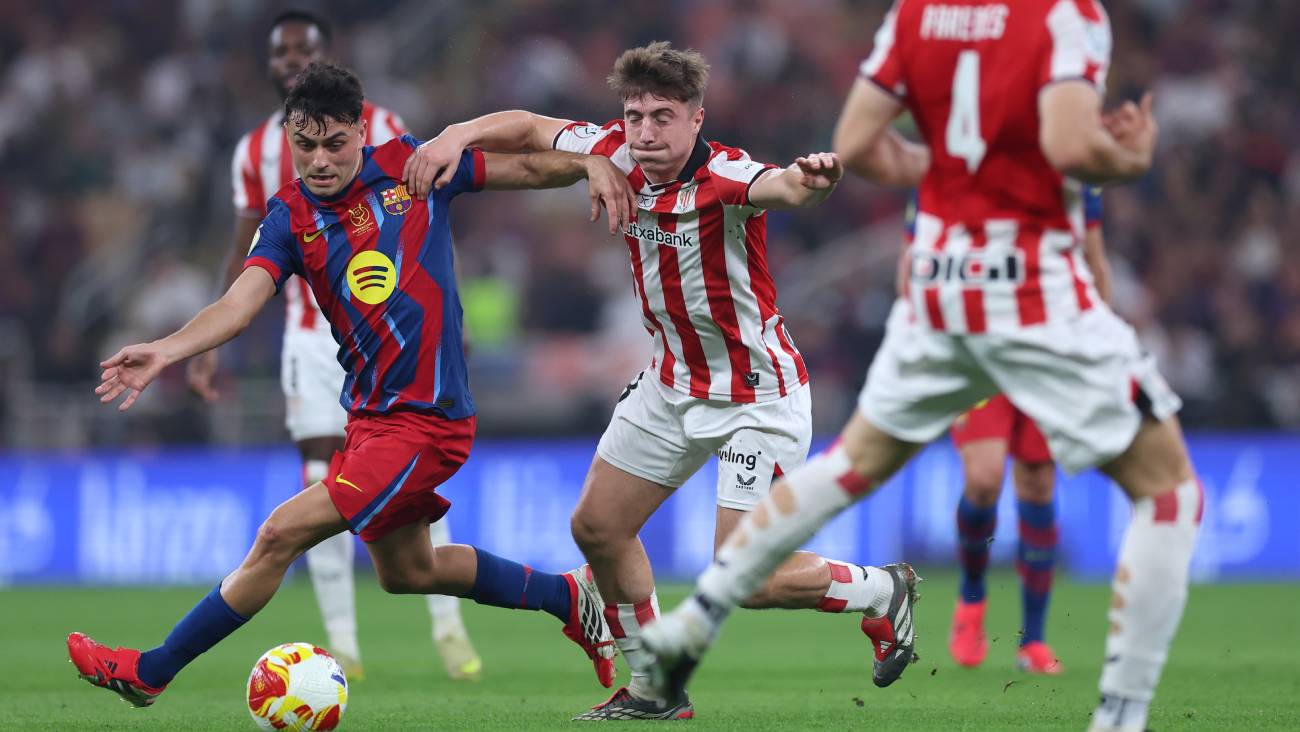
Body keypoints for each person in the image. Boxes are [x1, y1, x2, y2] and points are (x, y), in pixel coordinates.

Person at [643, 4, 1201, 732]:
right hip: (1028, 280)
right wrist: (1130, 157)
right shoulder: (1064, 15)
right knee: (1168, 495)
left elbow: (858, 144)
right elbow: (1070, 142)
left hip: (937, 275)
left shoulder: (915, 17)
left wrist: (943, 172)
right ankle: (1121, 718)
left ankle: (696, 619)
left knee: (854, 463)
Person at [68, 61, 638, 709]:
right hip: (370, 420)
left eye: (334, 143)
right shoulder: (289, 217)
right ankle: (572, 597)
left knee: (279, 534)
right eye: (304, 145)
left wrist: (590, 163)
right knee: (408, 572)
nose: (319, 159)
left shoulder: (410, 169)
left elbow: (530, 167)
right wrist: (165, 350)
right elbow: (239, 303)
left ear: (360, 133)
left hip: (428, 421)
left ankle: (151, 671)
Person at [402, 41, 903, 721]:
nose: (645, 132)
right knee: (598, 527)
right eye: (635, 115)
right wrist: (454, 135)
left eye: (662, 116)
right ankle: (655, 687)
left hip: (754, 395)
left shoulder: (726, 174)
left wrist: (813, 179)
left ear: (696, 119)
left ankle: (880, 592)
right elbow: (527, 125)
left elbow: (784, 186)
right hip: (670, 384)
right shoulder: (611, 149)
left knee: (745, 577)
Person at [183, 8, 481, 684]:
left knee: (380, 489)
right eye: (281, 51)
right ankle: (342, 641)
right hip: (310, 335)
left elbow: (424, 215)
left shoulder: (388, 131)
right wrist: (202, 343)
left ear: (324, 55)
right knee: (319, 479)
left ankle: (448, 626)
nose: (291, 59)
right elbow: (245, 252)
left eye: (303, 49)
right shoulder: (253, 152)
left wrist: (438, 303)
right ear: (271, 69)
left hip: (391, 341)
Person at [929, 186, 1112, 675]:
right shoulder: (978, 162)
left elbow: (1093, 260)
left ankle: (1033, 638)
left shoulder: (1076, 178)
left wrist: (1098, 337)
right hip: (981, 348)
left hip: (1046, 353)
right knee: (984, 479)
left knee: (1037, 482)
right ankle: (971, 601)